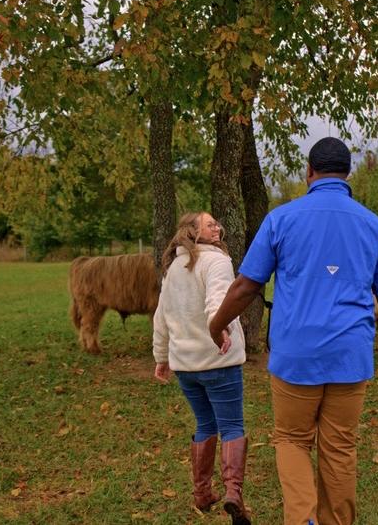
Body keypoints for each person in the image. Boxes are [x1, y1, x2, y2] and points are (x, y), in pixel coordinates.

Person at [209, 137, 378, 525]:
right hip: (349, 357)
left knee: (292, 439)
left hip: (295, 356)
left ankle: (303, 519)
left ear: (309, 171)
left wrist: (216, 325)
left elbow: (246, 286)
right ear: (348, 173)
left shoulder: (281, 220)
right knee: (340, 448)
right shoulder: (373, 225)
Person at [152, 212, 251, 525]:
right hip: (218, 360)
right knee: (232, 426)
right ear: (193, 231)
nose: (217, 227)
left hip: (186, 366)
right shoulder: (216, 261)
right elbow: (218, 303)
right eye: (210, 224)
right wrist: (220, 331)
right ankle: (233, 493)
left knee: (205, 424)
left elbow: (161, 316)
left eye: (217, 223)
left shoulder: (173, 267)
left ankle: (202, 493)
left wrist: (161, 356)